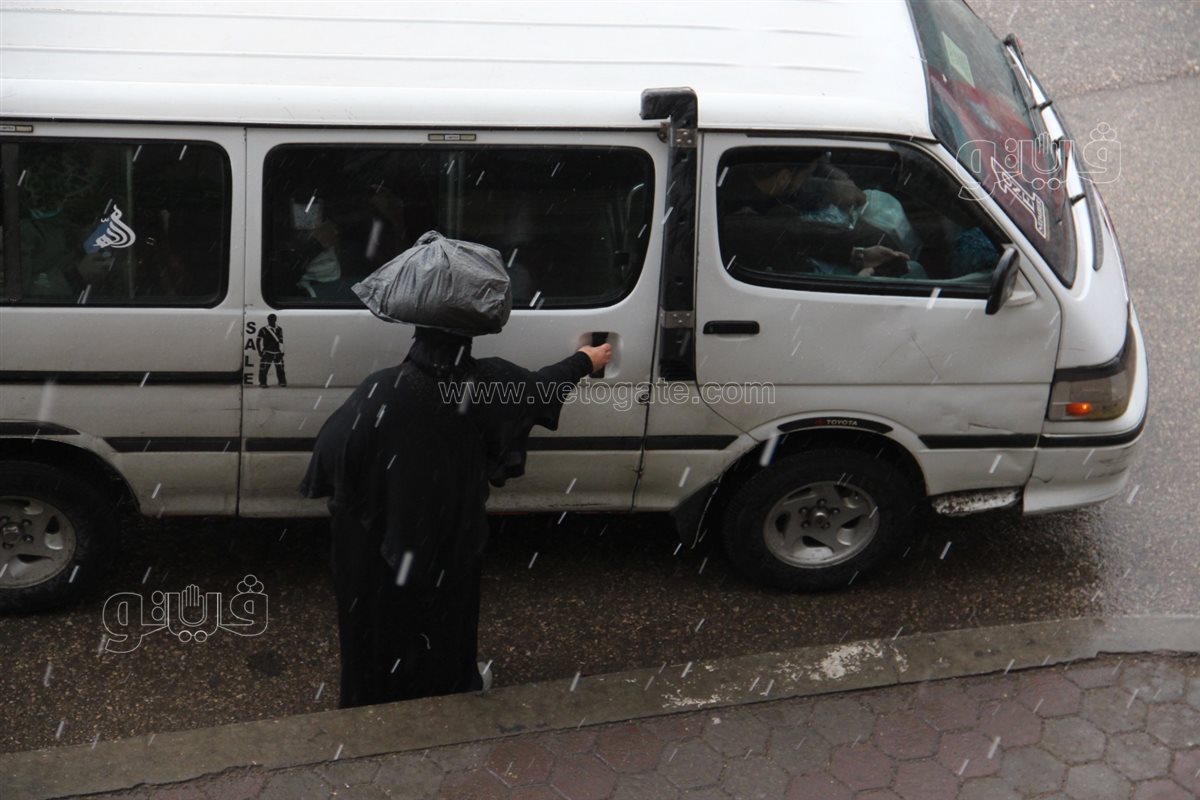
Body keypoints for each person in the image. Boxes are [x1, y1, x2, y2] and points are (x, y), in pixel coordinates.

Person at [299, 267, 611, 707]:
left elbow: (331, 458)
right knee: (445, 612)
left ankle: (374, 703)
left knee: (378, 619)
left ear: (417, 328)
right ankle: (445, 693)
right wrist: (586, 360)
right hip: (449, 535)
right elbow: (542, 389)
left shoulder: (380, 390)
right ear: (472, 331)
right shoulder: (489, 384)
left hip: (376, 543)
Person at [256, 314, 287, 387]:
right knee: (264, 369)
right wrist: (259, 351)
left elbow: (281, 341)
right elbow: (258, 341)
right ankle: (263, 383)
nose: (270, 321)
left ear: (275, 320)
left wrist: (282, 351)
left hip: (277, 352)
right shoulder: (263, 329)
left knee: (280, 368)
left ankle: (282, 382)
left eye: (272, 319)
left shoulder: (279, 329)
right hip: (267, 352)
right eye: (269, 319)